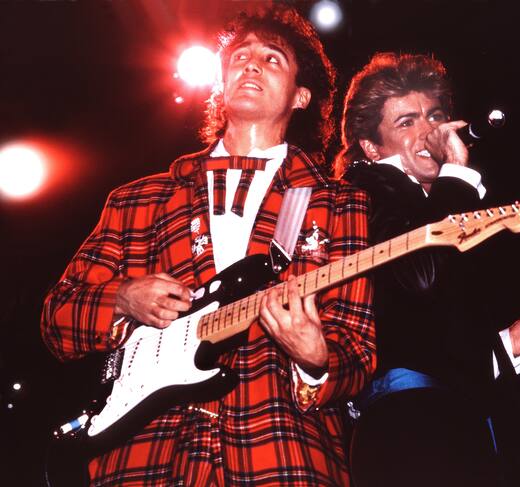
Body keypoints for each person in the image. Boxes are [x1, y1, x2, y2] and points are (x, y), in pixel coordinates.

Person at [41, 6, 375, 486]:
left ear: (301, 96)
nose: (252, 64)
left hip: (282, 450)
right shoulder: (137, 199)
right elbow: (57, 319)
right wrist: (122, 298)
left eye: (272, 58)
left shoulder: (337, 202)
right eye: (240, 56)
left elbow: (358, 348)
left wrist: (316, 360)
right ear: (221, 82)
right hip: (146, 455)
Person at [334, 52, 520, 486]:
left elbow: (420, 331)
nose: (428, 131)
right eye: (406, 122)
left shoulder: (430, 202)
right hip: (408, 434)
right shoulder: (364, 191)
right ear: (372, 146)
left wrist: (507, 344)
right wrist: (457, 173)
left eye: (435, 116)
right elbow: (421, 276)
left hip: (447, 427)